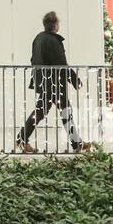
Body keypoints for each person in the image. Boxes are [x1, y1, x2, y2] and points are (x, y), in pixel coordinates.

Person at [16, 11, 83, 153]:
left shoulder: (38, 38)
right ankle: (77, 144)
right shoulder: (54, 40)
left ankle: (21, 139)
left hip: (44, 83)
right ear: (55, 25)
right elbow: (62, 64)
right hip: (55, 84)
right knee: (65, 112)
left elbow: (33, 60)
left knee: (40, 112)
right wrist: (75, 80)